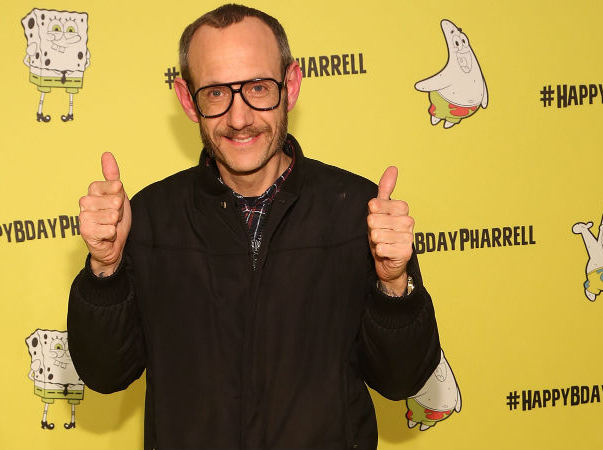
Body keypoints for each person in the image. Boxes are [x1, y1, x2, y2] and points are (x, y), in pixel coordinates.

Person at [67, 4, 441, 449]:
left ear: (291, 86)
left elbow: (402, 381)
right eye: (216, 93)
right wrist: (105, 269)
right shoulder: (147, 218)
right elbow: (104, 374)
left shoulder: (360, 212)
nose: (239, 118)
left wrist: (394, 285)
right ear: (188, 100)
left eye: (258, 88)